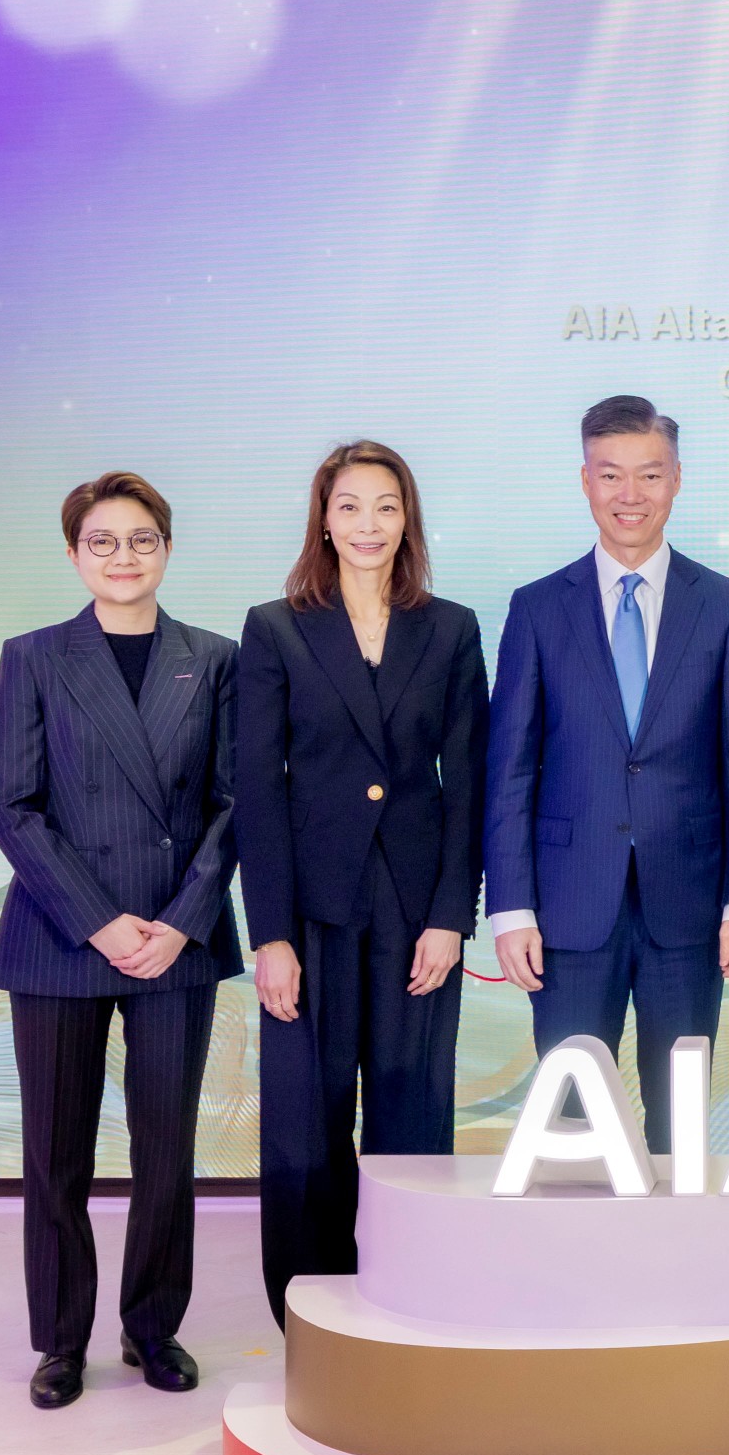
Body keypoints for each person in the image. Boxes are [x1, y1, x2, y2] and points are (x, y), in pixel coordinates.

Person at [0, 472, 241, 1410]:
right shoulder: (35, 657)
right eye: (103, 540)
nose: (123, 556)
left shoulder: (213, 659)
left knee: (166, 1146)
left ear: (167, 549)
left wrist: (179, 921)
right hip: (61, 935)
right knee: (56, 1151)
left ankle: (152, 1326)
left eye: (141, 539)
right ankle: (59, 1340)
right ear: (74, 553)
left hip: (178, 937)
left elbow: (234, 802)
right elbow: (11, 807)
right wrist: (97, 916)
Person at [236, 440, 489, 1326]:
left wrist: (453, 915)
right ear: (324, 518)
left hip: (417, 903)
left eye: (387, 506)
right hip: (311, 902)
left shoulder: (451, 627)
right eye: (350, 506)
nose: (369, 524)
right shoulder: (274, 626)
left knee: (412, 1103)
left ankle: (412, 1291)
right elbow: (258, 790)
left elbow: (470, 780)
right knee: (306, 1114)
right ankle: (309, 1303)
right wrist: (268, 933)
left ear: (407, 517)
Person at [486, 396, 729, 1152]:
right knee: (573, 1118)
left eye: (649, 474)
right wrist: (510, 907)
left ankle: (675, 1263)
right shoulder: (538, 608)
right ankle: (580, 1266)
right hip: (568, 909)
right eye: (611, 475)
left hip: (691, 905)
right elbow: (508, 771)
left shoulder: (727, 607)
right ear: (585, 481)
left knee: (681, 1118)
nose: (630, 495)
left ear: (677, 479)